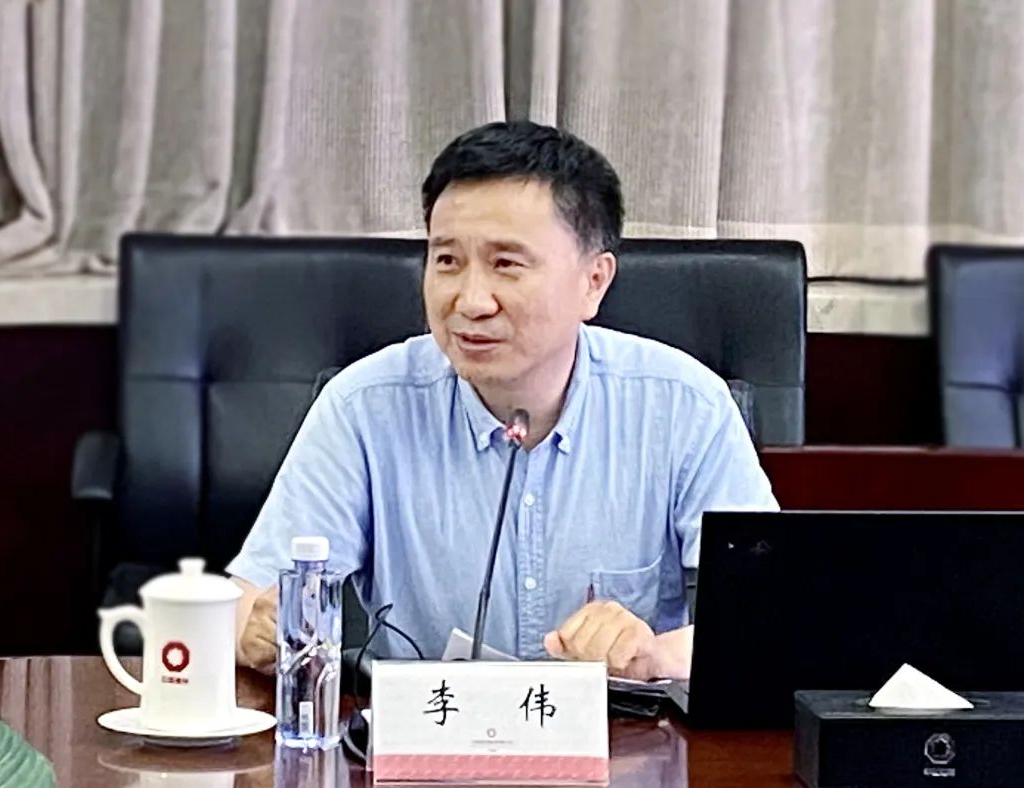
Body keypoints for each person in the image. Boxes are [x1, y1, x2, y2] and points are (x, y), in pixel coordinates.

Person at [227, 120, 778, 680]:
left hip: (622, 731)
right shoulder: (364, 407)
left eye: (506, 264)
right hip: (423, 728)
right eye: (447, 261)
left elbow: (770, 621)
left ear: (594, 281)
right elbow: (251, 602)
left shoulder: (686, 407)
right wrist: (254, 630)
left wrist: (653, 655)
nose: (470, 301)